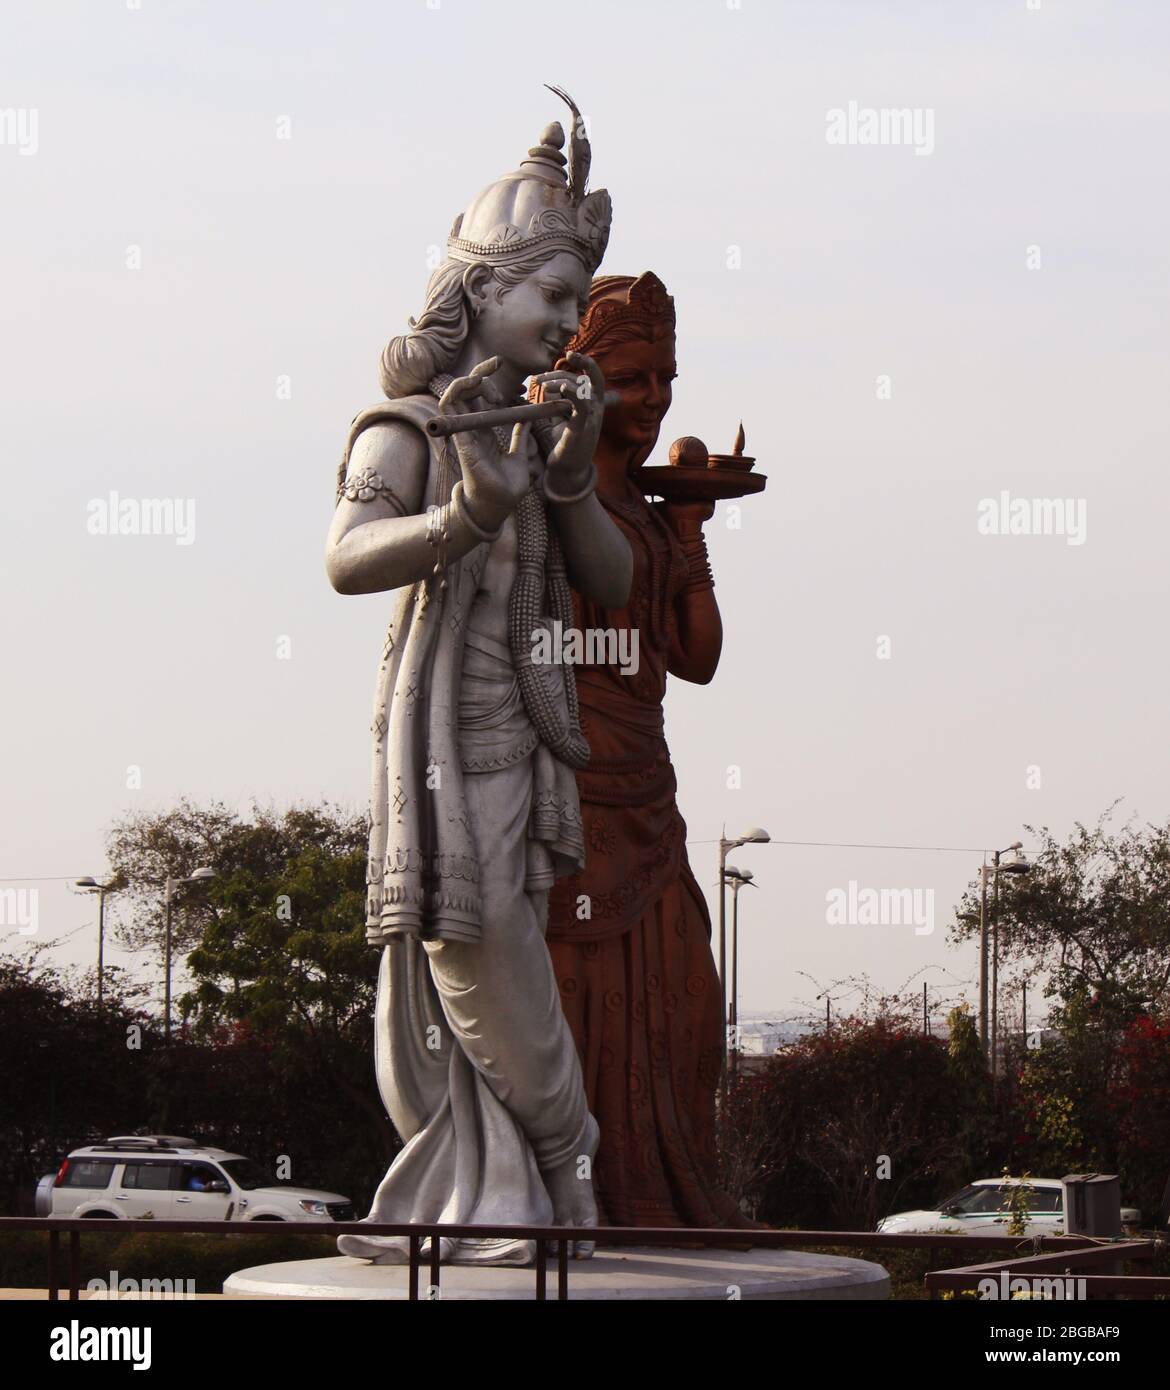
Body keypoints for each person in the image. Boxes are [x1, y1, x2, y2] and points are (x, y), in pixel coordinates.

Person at [324, 96, 631, 1265]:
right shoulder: (407, 423)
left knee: (499, 958)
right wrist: (461, 513)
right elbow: (347, 558)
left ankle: (542, 1185)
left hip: (524, 742)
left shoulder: (541, 422)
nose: (565, 322)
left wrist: (568, 472)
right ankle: (555, 1168)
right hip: (441, 736)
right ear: (479, 289)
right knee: (463, 955)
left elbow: (602, 579)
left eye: (573, 302)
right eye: (550, 295)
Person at [544, 273, 753, 1228]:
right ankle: (573, 1201)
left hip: (648, 787)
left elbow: (699, 659)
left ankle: (665, 1194)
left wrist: (689, 529)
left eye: (666, 376)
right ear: (583, 383)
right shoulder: (555, 498)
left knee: (682, 1001)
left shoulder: (650, 511)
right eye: (634, 377)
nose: (658, 397)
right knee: (577, 997)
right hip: (568, 786)